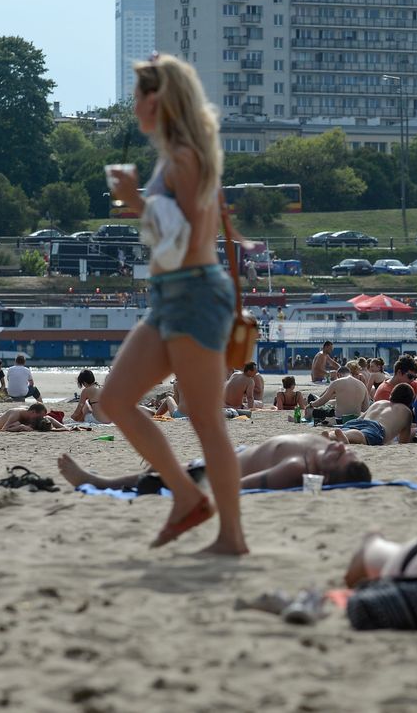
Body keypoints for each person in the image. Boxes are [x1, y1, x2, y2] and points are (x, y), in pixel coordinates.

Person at [100, 51, 247, 554]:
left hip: (194, 293)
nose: (134, 102)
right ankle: (187, 496)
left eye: (140, 92)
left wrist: (137, 202)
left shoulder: (185, 156)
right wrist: (141, 201)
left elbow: (186, 234)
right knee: (114, 400)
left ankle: (231, 537)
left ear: (158, 98)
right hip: (171, 295)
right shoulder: (176, 155)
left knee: (207, 423)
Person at [58, 433, 370, 493]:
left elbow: (236, 487)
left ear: (326, 475)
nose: (340, 448)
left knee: (160, 477)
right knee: (165, 470)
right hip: (237, 452)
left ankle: (97, 483)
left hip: (220, 470)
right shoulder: (325, 451)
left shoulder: (297, 467)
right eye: (346, 450)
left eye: (340, 455)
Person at [324, 383, 416, 446]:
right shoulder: (406, 411)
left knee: (348, 429)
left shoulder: (379, 402)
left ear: (392, 394)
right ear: (410, 401)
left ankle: (331, 436)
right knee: (362, 436)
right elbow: (403, 441)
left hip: (359, 422)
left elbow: (360, 418)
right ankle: (345, 436)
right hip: (377, 427)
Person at [307, 364, 371, 419]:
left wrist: (311, 404)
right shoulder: (362, 385)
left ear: (338, 375)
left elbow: (322, 401)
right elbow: (365, 408)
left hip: (340, 418)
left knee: (310, 409)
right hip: (355, 418)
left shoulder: (337, 382)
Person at [0, 403, 73, 432]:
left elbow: (63, 427)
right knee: (16, 423)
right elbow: (4, 430)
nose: (42, 418)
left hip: (0, 416)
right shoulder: (16, 413)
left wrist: (63, 428)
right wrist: (21, 427)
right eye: (40, 416)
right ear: (32, 412)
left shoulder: (31, 415)